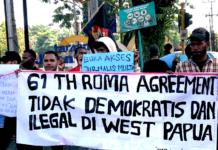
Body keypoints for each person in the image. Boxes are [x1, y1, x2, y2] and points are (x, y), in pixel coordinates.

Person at [0, 51, 23, 150]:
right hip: (6, 115)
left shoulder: (26, 74)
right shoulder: (2, 75)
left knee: (23, 146)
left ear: (14, 63)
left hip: (22, 117)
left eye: (6, 61)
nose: (3, 64)